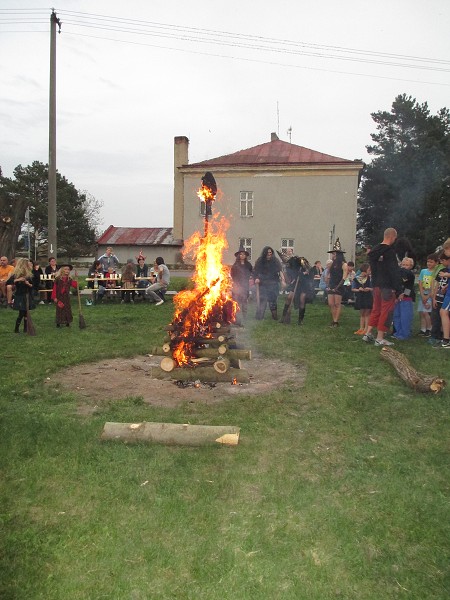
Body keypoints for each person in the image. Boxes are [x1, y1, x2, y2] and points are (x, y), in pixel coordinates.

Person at [362, 228, 403, 346]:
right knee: (387, 311)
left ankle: (368, 333)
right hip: (387, 287)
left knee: (376, 309)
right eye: (395, 238)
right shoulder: (389, 252)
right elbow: (393, 271)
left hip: (375, 285)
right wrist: (398, 288)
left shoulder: (374, 251)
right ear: (392, 237)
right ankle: (380, 338)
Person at [253, 246, 283, 320]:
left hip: (273, 284)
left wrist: (283, 280)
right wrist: (256, 278)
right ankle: (260, 317)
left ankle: (275, 317)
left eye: (270, 252)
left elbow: (280, 271)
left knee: (272, 301)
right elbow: (255, 272)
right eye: (267, 253)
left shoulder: (275, 261)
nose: (269, 254)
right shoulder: (260, 261)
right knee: (262, 300)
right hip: (262, 284)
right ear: (264, 253)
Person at [325, 238, 348, 327]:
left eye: (334, 254)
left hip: (339, 285)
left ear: (338, 254)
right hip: (332, 284)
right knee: (331, 303)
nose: (332, 255)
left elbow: (344, 277)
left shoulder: (344, 264)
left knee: (337, 303)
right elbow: (329, 275)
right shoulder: (332, 264)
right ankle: (333, 319)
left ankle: (336, 321)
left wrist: (337, 287)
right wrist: (328, 283)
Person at [392, 257, 415, 340]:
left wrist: (404, 294)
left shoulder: (410, 274)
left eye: (407, 265)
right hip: (397, 297)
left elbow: (409, 287)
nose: (405, 266)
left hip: (406, 297)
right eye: (403, 264)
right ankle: (398, 332)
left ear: (411, 266)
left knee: (405, 317)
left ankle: (405, 334)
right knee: (396, 315)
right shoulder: (398, 273)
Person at [429, 252, 450, 346]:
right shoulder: (442, 271)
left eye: (443, 261)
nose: (442, 263)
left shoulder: (447, 272)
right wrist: (434, 297)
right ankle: (434, 336)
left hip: (446, 299)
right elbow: (437, 284)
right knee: (436, 318)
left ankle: (444, 337)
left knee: (444, 316)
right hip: (438, 299)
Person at [230, 248, 253, 326]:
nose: (242, 255)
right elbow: (232, 274)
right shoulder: (235, 265)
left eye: (243, 254)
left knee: (244, 302)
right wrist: (236, 284)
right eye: (240, 254)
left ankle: (244, 318)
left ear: (245, 256)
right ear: (238, 255)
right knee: (237, 303)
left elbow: (251, 273)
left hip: (245, 286)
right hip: (237, 286)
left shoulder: (248, 265)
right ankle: (236, 318)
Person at [417, 253, 438, 337]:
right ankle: (423, 329)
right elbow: (420, 283)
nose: (429, 263)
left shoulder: (436, 273)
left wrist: (428, 296)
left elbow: (435, 286)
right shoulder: (423, 271)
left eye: (431, 262)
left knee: (426, 312)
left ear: (436, 263)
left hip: (430, 295)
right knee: (422, 312)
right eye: (428, 262)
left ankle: (429, 329)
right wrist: (422, 295)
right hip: (423, 294)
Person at [11, 258, 35, 333]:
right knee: (21, 312)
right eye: (27, 263)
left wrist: (28, 284)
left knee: (26, 312)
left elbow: (32, 285)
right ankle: (16, 328)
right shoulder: (16, 274)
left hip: (27, 294)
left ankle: (25, 328)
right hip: (20, 295)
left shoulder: (29, 274)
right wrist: (18, 280)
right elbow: (10, 282)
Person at [352, 263, 373, 335]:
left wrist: (369, 289)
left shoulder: (370, 278)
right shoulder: (356, 278)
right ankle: (361, 328)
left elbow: (374, 288)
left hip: (368, 297)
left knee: (367, 313)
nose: (370, 271)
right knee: (362, 313)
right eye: (369, 270)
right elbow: (353, 289)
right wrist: (358, 289)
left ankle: (366, 329)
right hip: (360, 296)